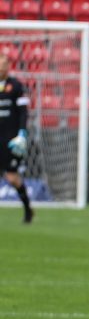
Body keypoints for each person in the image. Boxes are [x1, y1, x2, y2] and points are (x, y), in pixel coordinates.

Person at [0, 53, 34, 224]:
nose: (1, 67)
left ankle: (28, 209)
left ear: (8, 66)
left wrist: (22, 133)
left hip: (11, 139)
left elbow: (23, 112)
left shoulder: (16, 86)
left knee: (12, 178)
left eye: (3, 64)